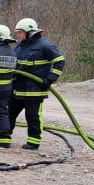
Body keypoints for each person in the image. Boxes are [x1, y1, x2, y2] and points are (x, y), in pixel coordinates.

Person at [9, 18, 65, 150]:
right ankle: (3, 134)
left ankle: (33, 142)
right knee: (9, 113)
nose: (18, 35)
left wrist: (50, 79)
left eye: (20, 32)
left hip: (35, 89)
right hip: (18, 88)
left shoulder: (45, 45)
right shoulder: (20, 45)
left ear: (29, 32)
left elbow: (60, 61)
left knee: (32, 116)